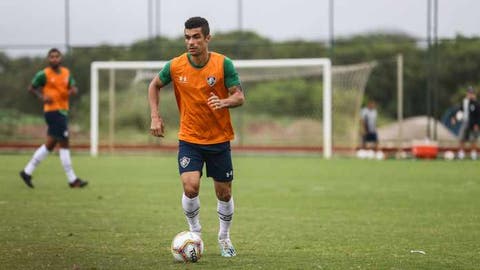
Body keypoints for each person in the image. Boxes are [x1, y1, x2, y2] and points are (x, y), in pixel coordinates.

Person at [148, 17, 245, 257]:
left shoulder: (224, 65)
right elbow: (154, 85)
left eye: (196, 37)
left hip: (219, 140)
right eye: (187, 37)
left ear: (207, 38)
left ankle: (224, 237)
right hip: (190, 139)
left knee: (224, 193)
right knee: (190, 188)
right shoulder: (175, 65)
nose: (190, 42)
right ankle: (195, 232)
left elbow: (239, 96)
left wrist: (224, 102)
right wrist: (155, 116)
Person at [19, 48, 88, 188]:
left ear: (60, 58)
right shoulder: (43, 74)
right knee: (64, 143)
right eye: (52, 57)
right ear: (48, 59)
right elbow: (31, 88)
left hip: (63, 111)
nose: (54, 59)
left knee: (50, 144)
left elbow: (73, 87)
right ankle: (72, 180)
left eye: (57, 56)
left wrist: (73, 90)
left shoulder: (66, 73)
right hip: (52, 112)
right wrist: (41, 97)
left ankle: (27, 171)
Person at [451, 86, 480, 160]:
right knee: (461, 137)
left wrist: (477, 124)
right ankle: (461, 153)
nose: (470, 94)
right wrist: (455, 118)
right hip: (465, 122)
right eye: (469, 93)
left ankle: (473, 153)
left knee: (473, 139)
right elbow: (461, 111)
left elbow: (477, 114)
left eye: (471, 93)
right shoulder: (464, 101)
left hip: (473, 123)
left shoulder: (476, 103)